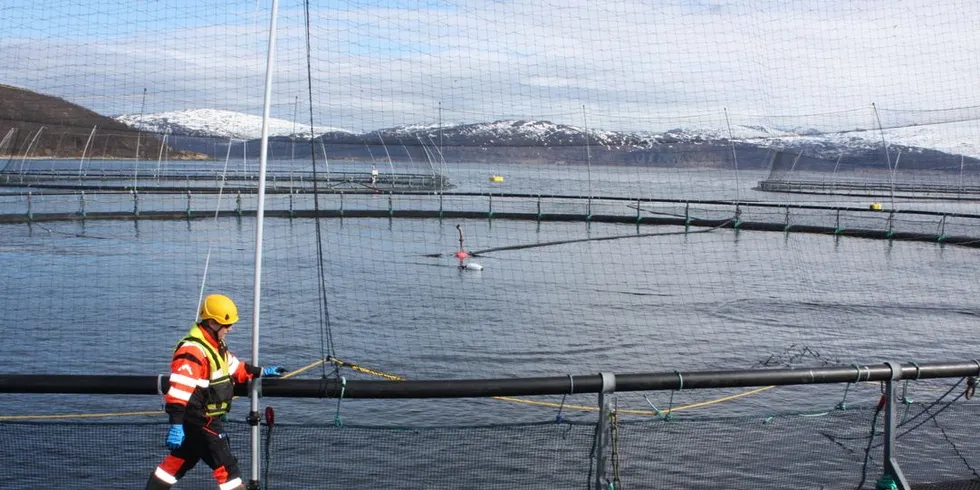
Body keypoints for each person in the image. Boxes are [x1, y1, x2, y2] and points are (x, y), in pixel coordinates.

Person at [146, 293, 287, 490]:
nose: (230, 329)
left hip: (201, 419)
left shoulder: (215, 346)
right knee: (227, 470)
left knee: (175, 464)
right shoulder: (192, 351)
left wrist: (261, 371)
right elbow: (179, 390)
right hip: (200, 419)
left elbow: (234, 368)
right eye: (227, 325)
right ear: (212, 323)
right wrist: (176, 425)